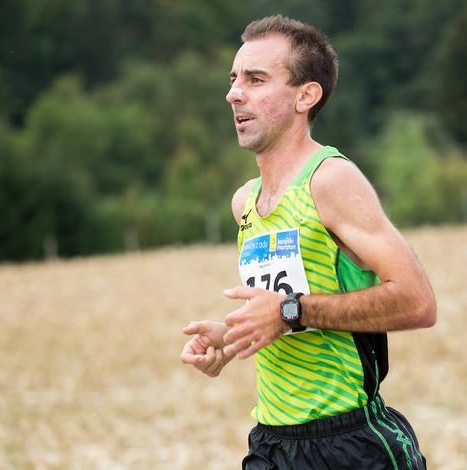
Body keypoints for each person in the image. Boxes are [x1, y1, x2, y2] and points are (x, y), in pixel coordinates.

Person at [180, 15, 436, 470]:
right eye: (234, 79)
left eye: (256, 80)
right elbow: (280, 305)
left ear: (306, 95)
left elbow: (417, 303)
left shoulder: (331, 181)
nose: (234, 93)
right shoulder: (245, 202)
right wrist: (232, 338)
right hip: (272, 443)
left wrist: (289, 311)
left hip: (351, 444)